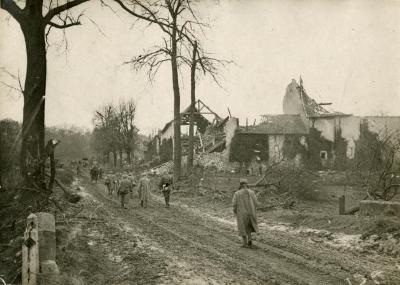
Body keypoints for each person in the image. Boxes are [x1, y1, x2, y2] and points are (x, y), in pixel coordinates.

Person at [232, 178, 259, 248]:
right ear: (246, 184)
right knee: (249, 226)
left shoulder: (237, 193)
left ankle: (244, 243)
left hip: (241, 212)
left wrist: (235, 211)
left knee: (242, 227)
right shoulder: (252, 192)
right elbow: (256, 203)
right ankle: (250, 241)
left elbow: (234, 204)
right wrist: (254, 210)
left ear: (240, 185)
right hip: (251, 212)